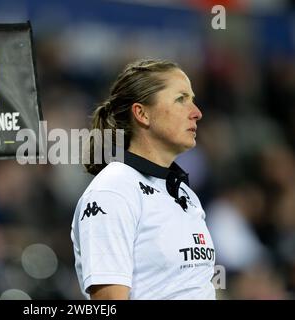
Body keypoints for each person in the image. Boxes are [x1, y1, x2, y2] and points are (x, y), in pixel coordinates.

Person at [70, 59, 216, 300]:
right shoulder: (112, 191)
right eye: (181, 99)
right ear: (142, 113)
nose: (197, 113)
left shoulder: (185, 194)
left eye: (192, 99)